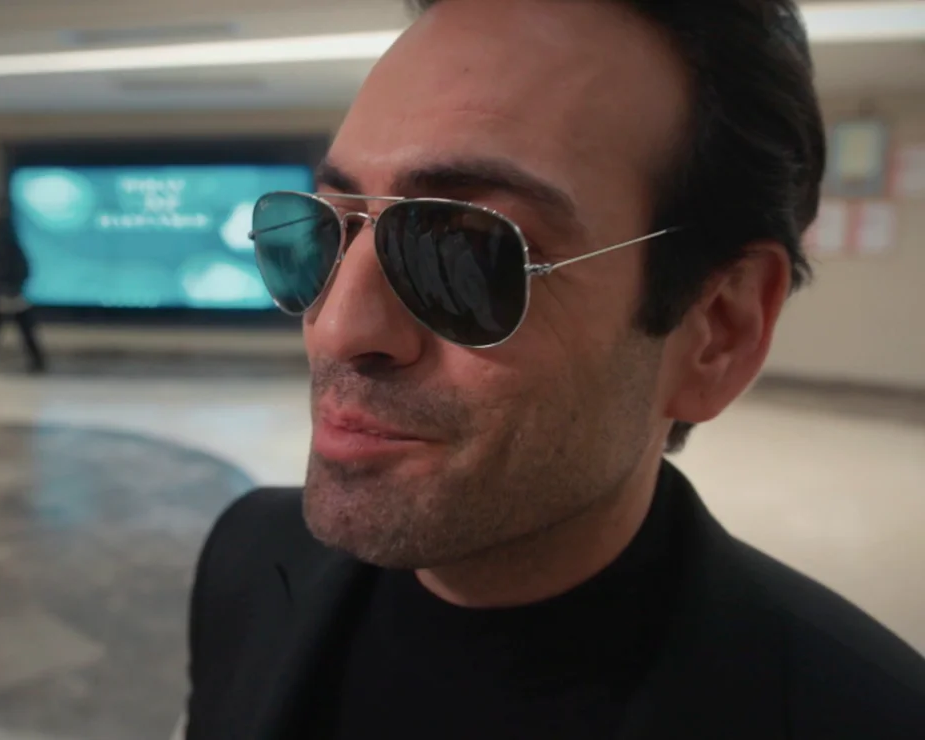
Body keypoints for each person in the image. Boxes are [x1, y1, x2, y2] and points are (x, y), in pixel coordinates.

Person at [183, 1, 925, 739]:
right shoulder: (247, 558)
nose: (336, 329)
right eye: (329, 225)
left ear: (717, 332)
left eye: (468, 251)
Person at [0, 196, 47, 373]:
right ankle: (37, 361)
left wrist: (3, 285)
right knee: (22, 328)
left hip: (6, 292)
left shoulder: (0, 237)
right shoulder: (8, 235)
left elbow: (3, 265)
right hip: (12, 291)